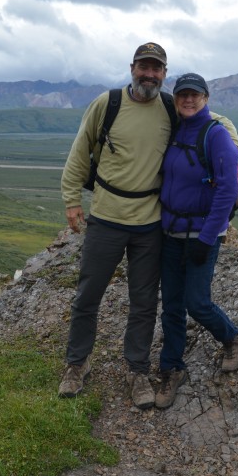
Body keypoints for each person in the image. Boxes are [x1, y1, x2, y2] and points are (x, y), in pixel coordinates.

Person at [58, 42, 173, 409]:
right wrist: (72, 200)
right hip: (106, 218)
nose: (149, 75)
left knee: (143, 302)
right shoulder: (107, 104)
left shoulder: (171, 108)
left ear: (164, 74)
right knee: (88, 296)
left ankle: (137, 371)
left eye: (156, 69)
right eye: (144, 67)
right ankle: (76, 365)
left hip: (150, 223)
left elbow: (207, 125)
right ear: (132, 68)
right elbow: (80, 151)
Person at [154, 72, 238, 410]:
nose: (188, 100)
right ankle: (172, 367)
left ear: (205, 98)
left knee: (197, 302)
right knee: (172, 305)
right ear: (175, 99)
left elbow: (227, 190)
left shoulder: (216, 134)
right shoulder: (176, 132)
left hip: (201, 235)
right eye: (182, 95)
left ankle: (232, 337)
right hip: (169, 233)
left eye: (195, 95)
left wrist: (207, 237)